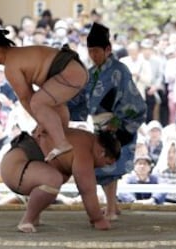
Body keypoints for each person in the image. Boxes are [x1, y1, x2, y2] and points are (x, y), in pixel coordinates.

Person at [71, 22, 146, 220]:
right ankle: (113, 205)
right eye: (90, 51)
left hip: (118, 125)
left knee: (109, 167)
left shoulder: (120, 70)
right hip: (98, 126)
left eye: (97, 51)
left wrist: (118, 121)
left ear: (108, 49)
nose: (93, 56)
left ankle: (111, 208)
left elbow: (132, 100)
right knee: (104, 167)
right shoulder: (90, 73)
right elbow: (80, 98)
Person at [0, 29, 88, 161]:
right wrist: (43, 122)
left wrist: (42, 122)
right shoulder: (18, 55)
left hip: (69, 73)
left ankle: (62, 143)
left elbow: (26, 98)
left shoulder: (11, 65)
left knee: (38, 103)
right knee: (52, 106)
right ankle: (65, 140)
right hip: (73, 71)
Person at [0, 128, 121, 233]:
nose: (103, 167)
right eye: (106, 163)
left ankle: (34, 216)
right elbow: (87, 190)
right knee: (53, 179)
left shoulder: (85, 138)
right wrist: (98, 219)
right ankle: (27, 220)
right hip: (18, 167)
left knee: (59, 176)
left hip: (23, 165)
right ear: (102, 153)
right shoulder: (85, 150)